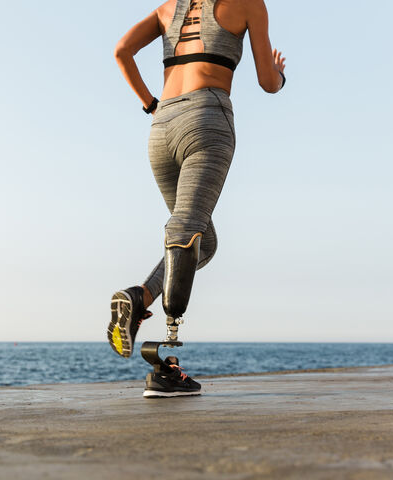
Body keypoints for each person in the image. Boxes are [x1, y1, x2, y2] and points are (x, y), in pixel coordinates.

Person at [107, 0, 286, 397]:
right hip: (207, 117)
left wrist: (152, 105)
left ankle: (139, 298)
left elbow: (122, 51)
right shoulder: (249, 4)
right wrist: (281, 74)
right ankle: (168, 357)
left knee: (205, 243)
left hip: (161, 129)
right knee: (185, 231)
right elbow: (267, 82)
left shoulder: (167, 9)